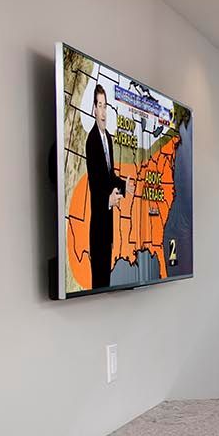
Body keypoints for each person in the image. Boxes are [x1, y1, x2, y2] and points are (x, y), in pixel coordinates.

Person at [84, 83, 132, 290]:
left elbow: (109, 175)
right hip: (98, 228)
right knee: (99, 286)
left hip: (109, 228)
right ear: (94, 109)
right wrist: (107, 199)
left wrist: (123, 187)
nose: (103, 112)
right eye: (100, 106)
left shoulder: (108, 140)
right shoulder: (92, 141)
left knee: (107, 285)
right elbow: (94, 183)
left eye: (105, 106)